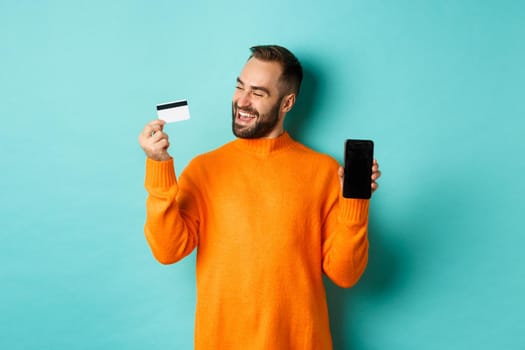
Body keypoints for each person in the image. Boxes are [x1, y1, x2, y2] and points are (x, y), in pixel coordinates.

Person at [138, 45, 381, 350]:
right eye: (239, 86)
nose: (242, 100)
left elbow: (345, 274)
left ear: (287, 103)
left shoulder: (324, 171)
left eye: (258, 92)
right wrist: (159, 167)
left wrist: (355, 203)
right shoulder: (204, 169)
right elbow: (167, 250)